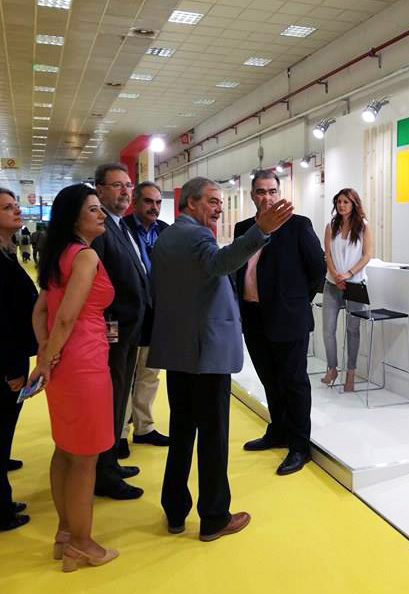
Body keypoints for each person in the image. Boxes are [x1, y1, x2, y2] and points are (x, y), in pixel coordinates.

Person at [148, 176, 293, 540]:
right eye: (212, 201)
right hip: (206, 355)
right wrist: (260, 231)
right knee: (213, 436)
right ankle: (214, 517)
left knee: (182, 433)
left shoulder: (166, 238)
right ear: (191, 203)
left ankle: (175, 511)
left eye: (220, 202)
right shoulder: (198, 236)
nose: (218, 208)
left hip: (179, 352)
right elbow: (221, 263)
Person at [29, 184, 118, 570]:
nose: (101, 214)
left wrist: (45, 352)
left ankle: (65, 533)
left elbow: (40, 312)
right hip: (84, 363)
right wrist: (48, 358)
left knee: (65, 449)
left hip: (65, 363)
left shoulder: (57, 256)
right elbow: (65, 316)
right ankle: (81, 543)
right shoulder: (84, 256)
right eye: (93, 209)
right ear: (74, 217)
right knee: (85, 458)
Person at [235, 171, 326, 475]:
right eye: (261, 192)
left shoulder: (298, 225)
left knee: (294, 382)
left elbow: (318, 268)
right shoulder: (243, 229)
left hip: (288, 318)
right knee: (270, 380)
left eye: (272, 191)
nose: (267, 197)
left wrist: (296, 301)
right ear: (252, 195)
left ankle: (300, 446)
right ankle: (278, 431)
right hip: (253, 316)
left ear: (280, 193)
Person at [91, 163, 150, 500]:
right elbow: (97, 283)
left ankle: (111, 460)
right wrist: (108, 325)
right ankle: (104, 472)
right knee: (111, 400)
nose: (126, 191)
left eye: (128, 185)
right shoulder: (101, 230)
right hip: (113, 332)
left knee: (120, 397)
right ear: (99, 190)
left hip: (129, 331)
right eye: (117, 185)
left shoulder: (119, 225)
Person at [119, 181, 169, 458]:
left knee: (150, 375)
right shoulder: (120, 229)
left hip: (157, 315)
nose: (154, 207)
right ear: (135, 203)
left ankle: (144, 427)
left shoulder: (165, 231)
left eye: (158, 202)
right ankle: (119, 433)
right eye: (148, 201)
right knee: (125, 375)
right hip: (128, 314)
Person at [0, 188, 38, 531]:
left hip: (14, 354)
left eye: (15, 205)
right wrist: (12, 367)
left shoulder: (7, 251)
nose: (16, 211)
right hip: (6, 359)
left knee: (6, 425)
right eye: (7, 207)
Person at [321, 188, 373, 391]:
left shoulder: (363, 226)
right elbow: (327, 254)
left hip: (355, 284)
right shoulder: (331, 226)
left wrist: (349, 274)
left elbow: (367, 255)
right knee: (328, 330)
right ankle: (332, 368)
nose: (341, 205)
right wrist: (336, 275)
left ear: (354, 204)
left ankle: (350, 373)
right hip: (332, 284)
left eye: (346, 202)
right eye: (339, 202)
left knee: (352, 330)